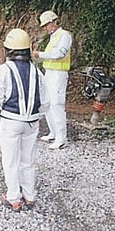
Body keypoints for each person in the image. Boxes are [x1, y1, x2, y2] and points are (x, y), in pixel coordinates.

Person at [0, 28, 47, 212]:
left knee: (11, 160)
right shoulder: (37, 72)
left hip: (10, 121)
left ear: (8, 49)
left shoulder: (3, 70)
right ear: (28, 49)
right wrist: (37, 117)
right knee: (27, 160)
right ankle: (30, 196)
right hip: (31, 122)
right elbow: (45, 101)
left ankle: (14, 198)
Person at [32, 11, 72, 149]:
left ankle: (61, 139)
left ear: (54, 22)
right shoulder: (53, 37)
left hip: (59, 74)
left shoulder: (65, 35)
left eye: (46, 25)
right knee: (48, 103)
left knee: (57, 104)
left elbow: (60, 53)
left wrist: (40, 54)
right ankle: (53, 132)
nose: (45, 28)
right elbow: (51, 55)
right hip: (49, 72)